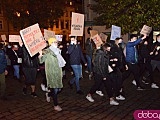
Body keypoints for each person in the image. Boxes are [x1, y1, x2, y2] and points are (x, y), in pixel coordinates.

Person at [39, 38, 66, 111]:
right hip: (51, 72)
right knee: (55, 89)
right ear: (50, 43)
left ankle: (49, 94)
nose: (56, 43)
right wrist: (40, 55)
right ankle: (56, 105)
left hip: (58, 71)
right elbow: (41, 61)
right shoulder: (46, 51)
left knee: (59, 88)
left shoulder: (57, 51)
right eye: (54, 42)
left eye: (56, 42)